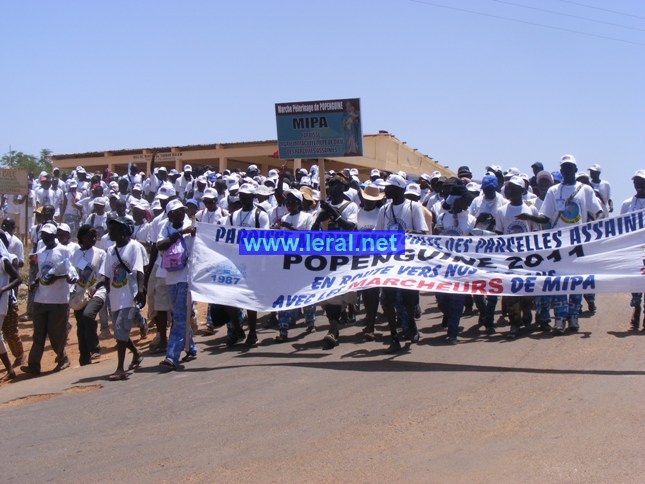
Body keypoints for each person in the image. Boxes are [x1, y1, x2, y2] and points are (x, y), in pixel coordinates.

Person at [517, 154, 604, 334]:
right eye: (564, 167)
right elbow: (545, 217)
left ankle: (573, 317)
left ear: (575, 168)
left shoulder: (585, 189)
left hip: (579, 243)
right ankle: (560, 319)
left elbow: (598, 212)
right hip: (558, 245)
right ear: (561, 170)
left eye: (570, 167)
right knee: (559, 282)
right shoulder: (553, 191)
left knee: (576, 282)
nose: (567, 170)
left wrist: (601, 231)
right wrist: (529, 217)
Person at [375, 174, 428, 352]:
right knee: (387, 300)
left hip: (408, 262)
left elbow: (423, 233)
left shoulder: (413, 207)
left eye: (389, 187)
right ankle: (393, 335)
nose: (385, 190)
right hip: (389, 262)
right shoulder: (384, 209)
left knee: (409, 300)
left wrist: (409, 233)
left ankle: (411, 324)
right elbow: (377, 234)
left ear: (398, 189)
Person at [21, 223, 78, 375]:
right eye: (43, 236)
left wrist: (67, 278)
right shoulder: (41, 252)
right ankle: (34, 364)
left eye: (47, 236)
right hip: (41, 298)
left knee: (55, 333)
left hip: (58, 299)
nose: (45, 238)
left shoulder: (64, 251)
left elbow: (72, 269)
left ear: (54, 236)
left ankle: (62, 358)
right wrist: (34, 282)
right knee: (38, 333)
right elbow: (42, 273)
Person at [312, 175, 358, 350]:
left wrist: (332, 212)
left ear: (344, 188)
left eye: (335, 185)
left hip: (344, 255)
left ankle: (335, 327)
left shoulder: (351, 206)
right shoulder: (321, 207)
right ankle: (333, 328)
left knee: (342, 291)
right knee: (327, 292)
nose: (331, 187)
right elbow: (313, 232)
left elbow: (350, 227)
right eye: (329, 184)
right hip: (326, 255)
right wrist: (318, 219)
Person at [97, 217, 146, 381]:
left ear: (124, 231)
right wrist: (98, 286)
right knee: (120, 331)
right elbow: (105, 274)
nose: (110, 232)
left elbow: (139, 270)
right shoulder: (110, 250)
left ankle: (120, 368)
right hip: (115, 297)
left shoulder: (134, 247)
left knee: (120, 328)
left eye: (113, 229)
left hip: (129, 296)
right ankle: (137, 353)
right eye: (109, 229)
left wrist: (141, 290)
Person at [493, 177, 539, 339]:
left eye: (514, 188)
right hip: (508, 259)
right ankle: (514, 324)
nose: (510, 191)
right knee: (511, 292)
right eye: (508, 188)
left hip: (527, 259)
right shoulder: (501, 211)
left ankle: (527, 310)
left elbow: (535, 234)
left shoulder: (531, 210)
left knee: (526, 291)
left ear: (522, 191)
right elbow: (498, 234)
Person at [157, 200, 198, 370]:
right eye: (176, 212)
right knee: (178, 313)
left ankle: (172, 355)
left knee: (179, 315)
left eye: (182, 210)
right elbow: (160, 244)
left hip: (186, 276)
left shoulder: (192, 225)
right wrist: (181, 233)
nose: (180, 214)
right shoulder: (165, 227)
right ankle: (191, 347)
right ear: (170, 215)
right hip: (170, 276)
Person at [274, 189, 315, 342]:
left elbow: (310, 237)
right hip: (285, 262)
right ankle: (283, 329)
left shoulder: (307, 217)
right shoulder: (283, 218)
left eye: (292, 202)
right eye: (287, 203)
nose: (289, 205)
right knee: (283, 295)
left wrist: (290, 228)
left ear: (299, 203)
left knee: (306, 293)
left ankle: (310, 321)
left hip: (303, 262)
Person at [71, 225, 106, 365]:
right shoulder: (75, 255)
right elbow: (72, 273)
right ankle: (84, 357)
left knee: (88, 315)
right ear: (82, 237)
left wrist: (96, 287)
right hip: (80, 294)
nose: (93, 238)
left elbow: (104, 275)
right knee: (81, 324)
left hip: (97, 291)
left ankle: (95, 348)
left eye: (94, 236)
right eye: (89, 236)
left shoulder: (100, 253)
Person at [620, 169, 645, 330]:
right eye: (636, 182)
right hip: (634, 250)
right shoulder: (627, 203)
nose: (638, 185)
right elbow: (619, 227)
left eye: (641, 182)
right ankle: (636, 310)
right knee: (636, 282)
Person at [0, 238, 22, 380]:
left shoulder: (2, 260)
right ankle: (9, 369)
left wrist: (2, 289)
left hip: (1, 303)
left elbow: (18, 278)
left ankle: (9, 368)